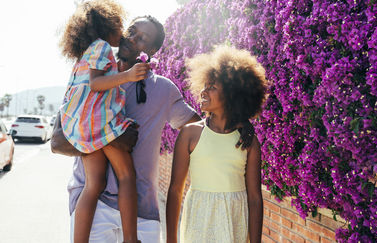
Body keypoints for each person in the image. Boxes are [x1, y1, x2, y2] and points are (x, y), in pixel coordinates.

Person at [52, 16, 254, 243]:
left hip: (143, 214)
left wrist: (238, 121)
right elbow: (57, 142)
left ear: (153, 50)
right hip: (94, 208)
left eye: (142, 38)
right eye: (132, 31)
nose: (132, 39)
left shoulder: (163, 89)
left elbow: (203, 127)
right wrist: (114, 139)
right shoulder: (92, 75)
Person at [58, 0, 150, 243]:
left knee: (94, 183)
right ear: (107, 25)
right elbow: (97, 83)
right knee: (127, 176)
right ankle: (131, 239)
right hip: (97, 122)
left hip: (80, 126)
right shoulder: (101, 47)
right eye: (120, 25)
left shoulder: (85, 53)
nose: (123, 33)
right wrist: (128, 76)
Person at [166, 45, 267, 243]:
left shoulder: (248, 140)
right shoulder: (190, 134)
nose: (204, 91)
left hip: (234, 222)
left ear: (232, 94)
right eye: (204, 85)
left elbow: (255, 198)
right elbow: (175, 189)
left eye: (212, 86)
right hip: (199, 222)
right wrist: (171, 240)